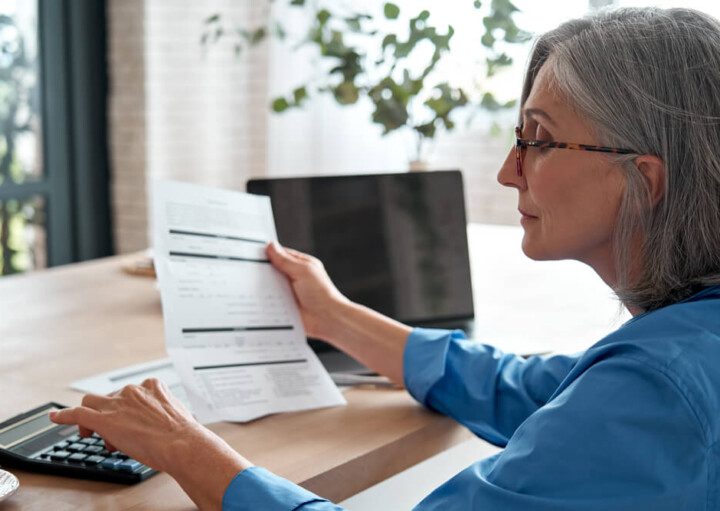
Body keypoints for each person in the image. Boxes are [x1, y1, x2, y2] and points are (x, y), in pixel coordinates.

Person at [50, 6, 720, 510]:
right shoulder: (681, 350)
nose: (506, 172)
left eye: (539, 141)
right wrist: (338, 317)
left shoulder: (659, 390)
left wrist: (189, 450)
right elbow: (530, 388)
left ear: (644, 179)